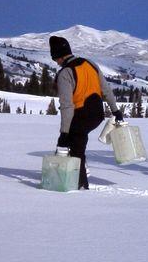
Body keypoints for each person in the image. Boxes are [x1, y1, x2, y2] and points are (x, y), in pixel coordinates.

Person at [50, 35, 123, 190]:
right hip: (97, 114)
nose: (56, 63)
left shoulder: (65, 73)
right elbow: (106, 90)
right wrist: (116, 111)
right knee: (77, 144)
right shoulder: (90, 64)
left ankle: (80, 184)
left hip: (80, 114)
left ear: (59, 56)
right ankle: (80, 176)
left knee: (74, 146)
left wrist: (63, 133)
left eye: (55, 59)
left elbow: (67, 106)